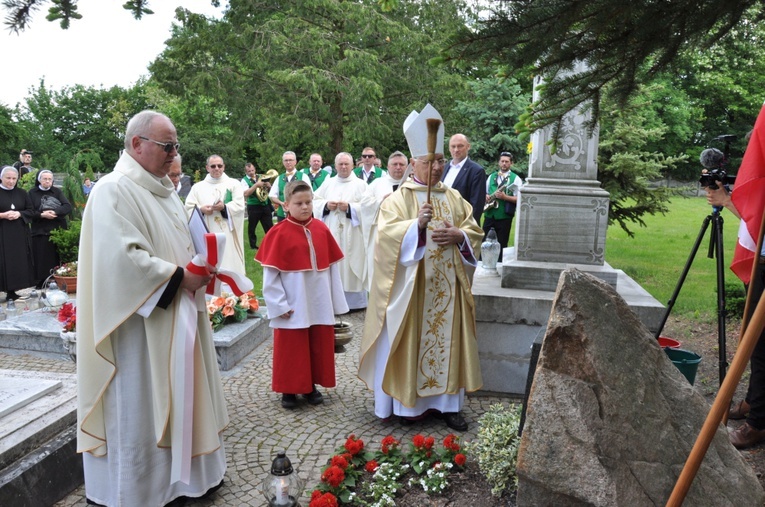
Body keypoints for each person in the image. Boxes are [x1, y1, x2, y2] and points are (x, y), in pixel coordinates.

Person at [76, 110, 229, 506]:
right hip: (138, 331)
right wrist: (180, 277)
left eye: (176, 145)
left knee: (184, 392)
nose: (174, 153)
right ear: (136, 144)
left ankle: (190, 479)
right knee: (141, 403)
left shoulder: (162, 190)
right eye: (168, 145)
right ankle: (143, 490)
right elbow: (122, 261)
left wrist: (201, 262)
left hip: (180, 316)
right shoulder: (113, 190)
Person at [358, 104, 484, 432]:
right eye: (430, 162)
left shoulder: (456, 198)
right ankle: (406, 404)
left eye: (441, 160)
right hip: (413, 289)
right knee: (412, 339)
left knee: (448, 341)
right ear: (415, 163)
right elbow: (384, 239)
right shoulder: (399, 199)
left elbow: (473, 231)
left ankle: (448, 406)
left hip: (447, 290)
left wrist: (459, 236)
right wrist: (415, 228)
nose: (437, 167)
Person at [255, 180, 349, 409]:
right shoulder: (278, 233)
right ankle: (288, 389)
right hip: (293, 302)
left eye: (308, 202)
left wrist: (335, 301)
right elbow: (270, 276)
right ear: (286, 205)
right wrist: (279, 305)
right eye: (299, 203)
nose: (305, 207)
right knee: (291, 347)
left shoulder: (321, 228)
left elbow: (332, 269)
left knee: (316, 343)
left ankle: (310, 386)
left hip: (318, 301)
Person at [313, 152, 369, 310]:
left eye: (346, 164)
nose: (343, 167)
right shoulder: (328, 183)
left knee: (351, 265)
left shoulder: (361, 185)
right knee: (334, 264)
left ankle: (355, 303)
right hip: (332, 231)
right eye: (340, 164)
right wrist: (326, 205)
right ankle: (333, 301)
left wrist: (350, 208)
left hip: (353, 232)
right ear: (335, 165)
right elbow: (315, 201)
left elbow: (368, 208)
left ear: (353, 165)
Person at [185, 154, 246, 276]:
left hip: (228, 233)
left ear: (224, 167)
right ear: (207, 168)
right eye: (213, 166)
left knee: (228, 259)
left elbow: (240, 206)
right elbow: (188, 208)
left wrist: (225, 208)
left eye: (219, 166)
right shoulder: (197, 187)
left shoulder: (234, 184)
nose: (216, 168)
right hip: (207, 232)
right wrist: (201, 209)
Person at [360, 150, 409, 290]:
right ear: (388, 166)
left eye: (401, 164)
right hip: (381, 234)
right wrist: (382, 201)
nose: (398, 167)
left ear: (407, 167)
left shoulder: (412, 184)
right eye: (395, 164)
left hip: (405, 236)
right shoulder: (377, 183)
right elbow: (364, 204)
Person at [29, 169, 73, 288]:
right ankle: (42, 281)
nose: (47, 181)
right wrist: (42, 214)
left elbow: (67, 206)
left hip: (57, 227)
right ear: (39, 180)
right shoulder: (32, 193)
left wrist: (55, 212)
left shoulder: (57, 192)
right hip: (40, 229)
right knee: (42, 257)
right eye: (45, 179)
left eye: (50, 179)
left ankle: (58, 279)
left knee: (56, 256)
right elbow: (29, 211)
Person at [0, 166, 35, 301]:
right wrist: (3, 215)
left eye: (14, 178)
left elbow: (31, 211)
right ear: (1, 178)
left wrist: (19, 213)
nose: (11, 181)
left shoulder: (22, 193)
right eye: (8, 178)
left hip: (18, 233)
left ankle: (12, 291)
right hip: (2, 232)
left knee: (15, 261)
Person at [483, 152, 523, 261]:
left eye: (507, 162)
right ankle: (483, 262)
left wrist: (505, 197)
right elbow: (484, 192)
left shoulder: (516, 179)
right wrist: (486, 196)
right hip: (489, 214)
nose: (504, 164)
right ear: (499, 162)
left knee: (501, 242)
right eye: (502, 161)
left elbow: (520, 198)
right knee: (485, 241)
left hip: (504, 217)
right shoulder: (491, 176)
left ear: (511, 163)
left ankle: (499, 265)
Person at [442, 134, 487, 224]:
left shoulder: (476, 171)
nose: (456, 150)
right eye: (453, 146)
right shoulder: (443, 168)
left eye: (460, 146)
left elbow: (477, 206)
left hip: (462, 224)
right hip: (442, 221)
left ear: (468, 147)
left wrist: (467, 229)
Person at [269, 151, 311, 222]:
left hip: (299, 213)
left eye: (290, 160)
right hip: (282, 214)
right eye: (286, 160)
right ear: (283, 162)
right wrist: (281, 203)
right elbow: (272, 196)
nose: (288, 162)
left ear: (295, 162)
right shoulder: (279, 178)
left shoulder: (303, 176)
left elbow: (310, 194)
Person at [241, 163, 274, 249]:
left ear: (255, 169)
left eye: (252, 170)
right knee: (252, 227)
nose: (251, 173)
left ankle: (272, 243)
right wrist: (255, 185)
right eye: (249, 171)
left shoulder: (261, 177)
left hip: (265, 204)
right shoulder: (244, 180)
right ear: (246, 172)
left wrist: (269, 186)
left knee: (269, 225)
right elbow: (245, 193)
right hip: (253, 206)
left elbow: (269, 190)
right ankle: (253, 245)